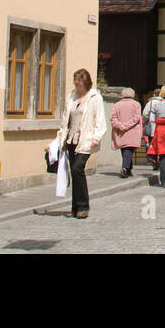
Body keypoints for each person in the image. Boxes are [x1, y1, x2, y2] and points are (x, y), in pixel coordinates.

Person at [56, 68, 106, 219]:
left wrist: (97, 136)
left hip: (86, 140)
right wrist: (60, 137)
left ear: (86, 82)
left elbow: (99, 118)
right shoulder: (71, 96)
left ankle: (83, 206)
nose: (77, 83)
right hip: (71, 139)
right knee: (74, 172)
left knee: (78, 169)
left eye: (79, 81)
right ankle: (75, 207)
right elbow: (66, 119)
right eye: (75, 80)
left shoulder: (94, 97)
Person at [110, 87, 143, 178]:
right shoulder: (136, 104)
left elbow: (113, 118)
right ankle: (125, 168)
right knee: (129, 149)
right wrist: (127, 125)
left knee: (125, 149)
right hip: (132, 130)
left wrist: (120, 125)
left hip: (120, 131)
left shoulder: (117, 105)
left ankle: (128, 169)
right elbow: (136, 117)